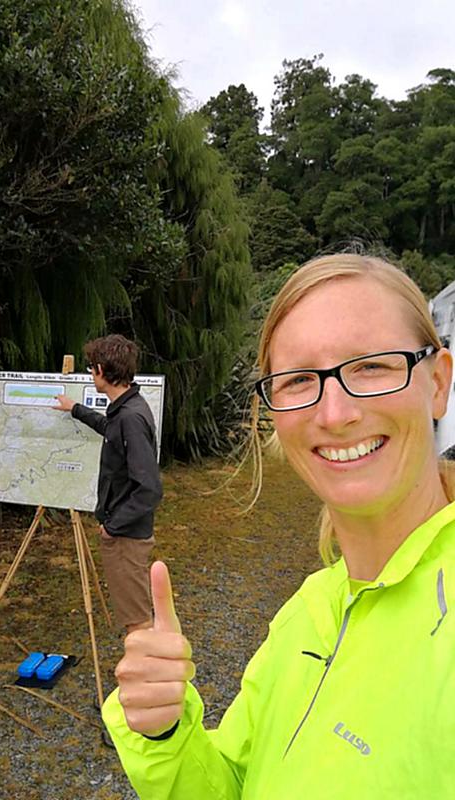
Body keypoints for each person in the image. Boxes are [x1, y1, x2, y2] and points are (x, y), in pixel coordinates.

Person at [101, 254, 455, 798]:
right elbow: (232, 784)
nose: (335, 413)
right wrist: (167, 735)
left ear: (437, 382)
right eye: (298, 380)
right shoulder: (307, 610)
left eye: (372, 366)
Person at [53, 334, 162, 634]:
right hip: (125, 533)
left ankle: (143, 677)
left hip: (127, 538)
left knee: (137, 621)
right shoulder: (126, 409)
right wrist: (75, 409)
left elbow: (150, 489)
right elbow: (108, 429)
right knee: (134, 614)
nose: (90, 374)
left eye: (91, 368)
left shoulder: (130, 417)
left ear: (101, 370)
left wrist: (113, 526)